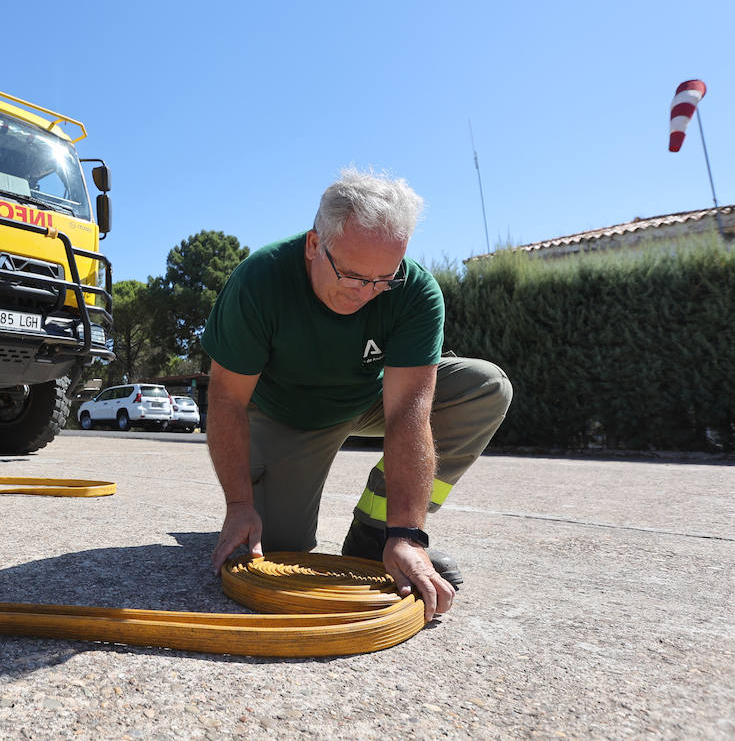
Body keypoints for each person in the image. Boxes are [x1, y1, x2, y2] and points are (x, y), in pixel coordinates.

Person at [201, 168, 512, 623]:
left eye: (383, 279)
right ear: (314, 244)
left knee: (485, 386)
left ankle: (375, 535)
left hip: (369, 400)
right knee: (276, 549)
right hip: (288, 415)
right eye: (351, 275)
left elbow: (408, 412)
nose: (365, 293)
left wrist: (408, 534)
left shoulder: (415, 292)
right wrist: (238, 505)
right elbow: (227, 400)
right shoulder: (259, 281)